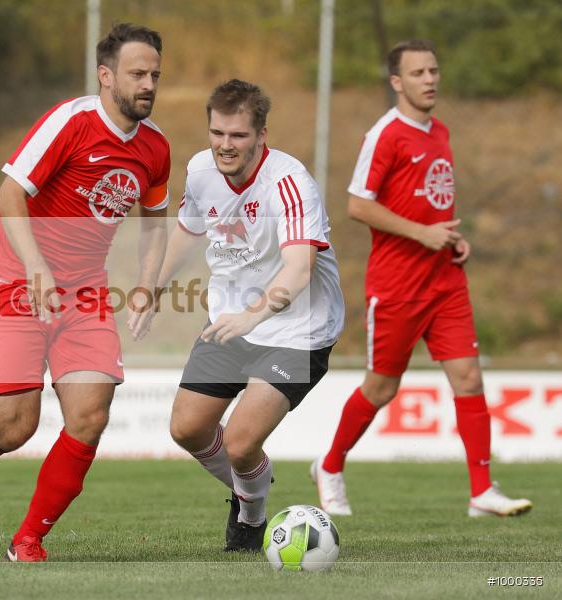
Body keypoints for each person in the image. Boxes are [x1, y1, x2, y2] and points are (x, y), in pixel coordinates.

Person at [0, 23, 170, 562]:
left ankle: (28, 539)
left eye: (155, 74)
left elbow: (155, 223)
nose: (149, 83)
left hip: (85, 293)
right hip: (19, 280)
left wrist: (147, 285)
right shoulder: (71, 122)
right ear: (105, 76)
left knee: (90, 414)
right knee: (16, 427)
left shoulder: (155, 147)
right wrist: (37, 267)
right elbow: (10, 193)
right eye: (137, 73)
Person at [311, 40, 532, 518]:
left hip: (445, 280)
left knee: (469, 378)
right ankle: (329, 466)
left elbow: (432, 202)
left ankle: (481, 491)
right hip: (397, 286)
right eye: (418, 73)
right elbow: (357, 205)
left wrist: (451, 240)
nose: (430, 79)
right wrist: (421, 233)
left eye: (434, 70)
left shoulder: (441, 132)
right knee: (382, 388)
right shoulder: (385, 135)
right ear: (397, 82)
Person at [152, 79, 344, 552]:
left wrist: (252, 318)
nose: (224, 145)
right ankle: (251, 489)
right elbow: (187, 230)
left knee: (239, 443)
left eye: (237, 135)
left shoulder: (290, 182)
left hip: (298, 332)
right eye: (217, 133)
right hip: (230, 319)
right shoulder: (200, 169)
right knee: (187, 429)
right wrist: (152, 286)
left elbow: (300, 269)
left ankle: (252, 516)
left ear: (261, 134)